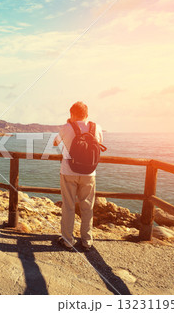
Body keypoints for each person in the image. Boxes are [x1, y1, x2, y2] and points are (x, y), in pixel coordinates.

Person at [53, 101, 103, 252]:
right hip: (89, 173)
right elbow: (99, 143)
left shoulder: (66, 128)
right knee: (87, 207)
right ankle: (87, 241)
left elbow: (56, 143)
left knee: (68, 206)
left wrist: (69, 124)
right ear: (87, 115)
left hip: (69, 172)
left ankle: (68, 240)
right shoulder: (96, 128)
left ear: (71, 114)